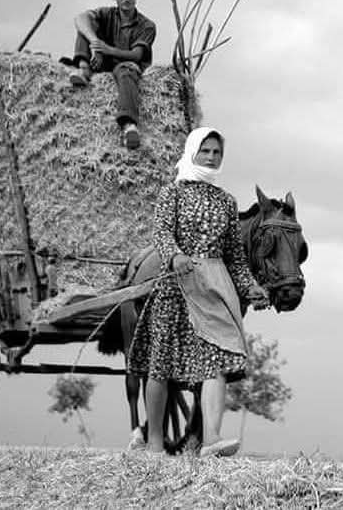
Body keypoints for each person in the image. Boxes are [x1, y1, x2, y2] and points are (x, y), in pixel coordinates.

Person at [128, 127, 269, 457]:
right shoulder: (172, 194)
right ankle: (154, 443)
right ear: (193, 151)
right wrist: (175, 255)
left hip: (212, 290)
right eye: (206, 151)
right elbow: (162, 233)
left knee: (216, 363)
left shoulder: (226, 202)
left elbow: (234, 256)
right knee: (160, 365)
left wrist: (251, 288)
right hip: (175, 288)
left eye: (217, 153)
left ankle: (211, 440)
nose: (211, 157)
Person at [63, 0, 156, 149]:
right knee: (86, 28)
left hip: (126, 64)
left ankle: (129, 124)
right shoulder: (107, 14)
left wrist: (107, 50)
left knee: (126, 72)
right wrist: (95, 45)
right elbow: (80, 18)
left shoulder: (147, 25)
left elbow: (136, 55)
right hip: (102, 61)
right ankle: (84, 69)